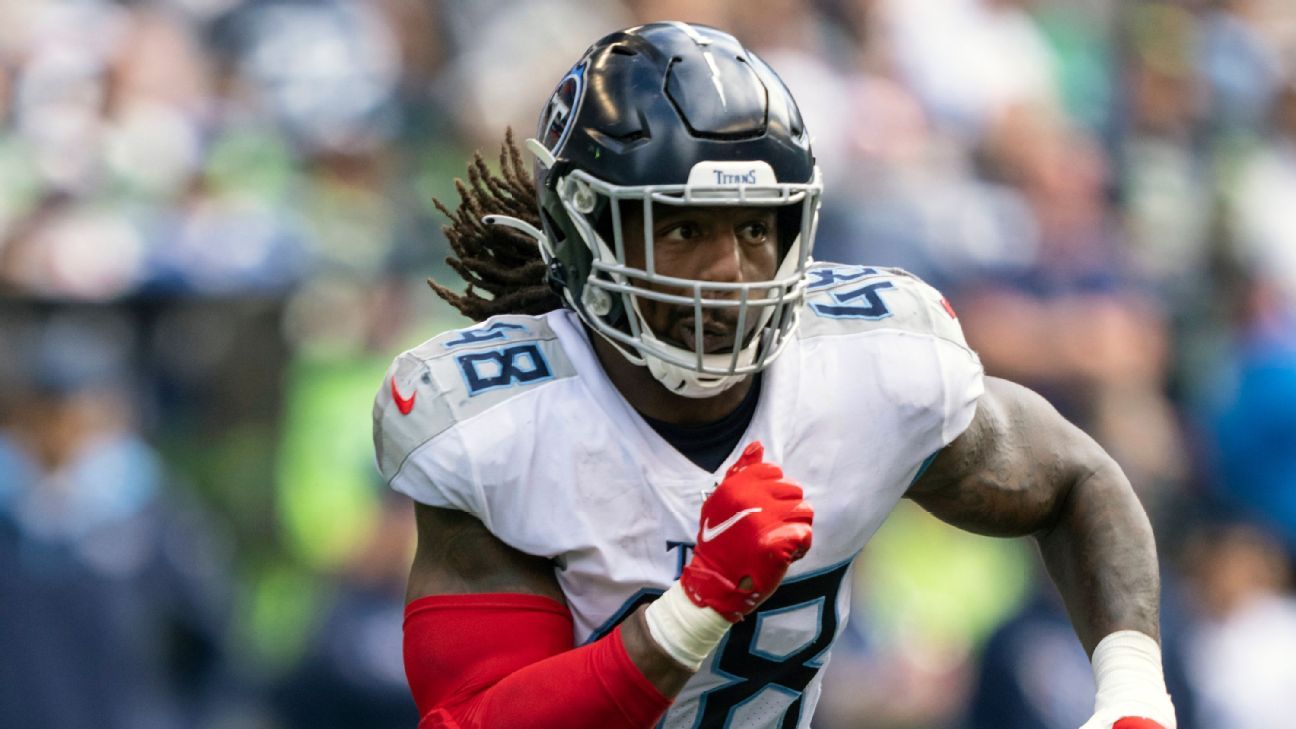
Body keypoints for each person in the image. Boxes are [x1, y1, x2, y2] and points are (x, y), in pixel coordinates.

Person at [372, 22, 1176, 729]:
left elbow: (1075, 482)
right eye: (682, 227)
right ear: (582, 228)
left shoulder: (870, 363)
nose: (730, 270)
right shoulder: (499, 423)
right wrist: (696, 606)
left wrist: (1133, 690)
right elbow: (472, 718)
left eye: (756, 227)